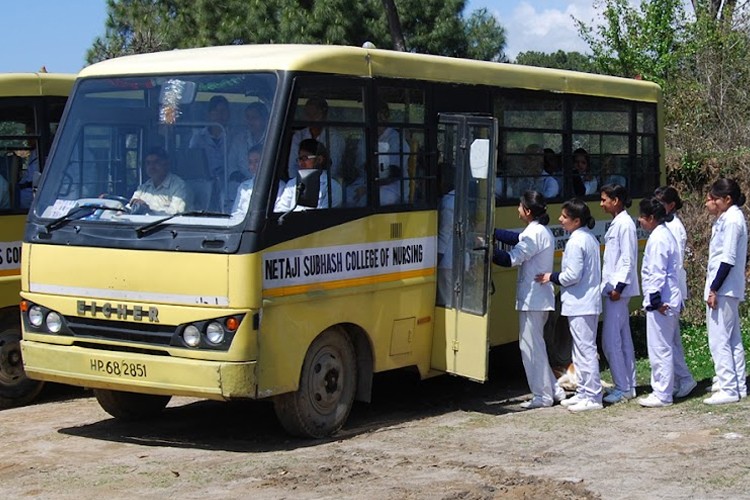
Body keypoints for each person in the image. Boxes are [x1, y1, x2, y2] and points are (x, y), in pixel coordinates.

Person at [493, 190, 566, 409]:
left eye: (519, 206)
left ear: (527, 210)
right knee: (537, 347)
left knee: (530, 349)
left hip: (533, 300)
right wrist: (492, 232)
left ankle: (541, 397)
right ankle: (555, 390)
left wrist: (486, 249)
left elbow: (511, 259)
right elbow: (516, 238)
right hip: (538, 299)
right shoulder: (538, 231)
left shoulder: (533, 234)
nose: (517, 209)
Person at [535, 198, 602, 412]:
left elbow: (572, 275)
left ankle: (593, 396)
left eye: (564, 216)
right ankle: (583, 391)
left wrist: (551, 276)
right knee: (580, 350)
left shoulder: (576, 241)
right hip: (583, 302)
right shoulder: (587, 238)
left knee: (585, 350)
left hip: (581, 303)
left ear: (576, 220)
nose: (560, 220)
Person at [636, 197, 693, 408]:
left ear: (651, 218)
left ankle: (662, 392)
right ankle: (667, 387)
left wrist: (655, 300)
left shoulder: (659, 238)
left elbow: (657, 272)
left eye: (642, 217)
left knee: (660, 348)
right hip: (665, 299)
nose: (640, 221)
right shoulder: (662, 234)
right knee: (665, 346)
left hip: (662, 302)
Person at [703, 178, 747, 405]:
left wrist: (714, 289)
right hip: (728, 287)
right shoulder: (729, 218)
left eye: (714, 198)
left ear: (727, 199)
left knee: (718, 339)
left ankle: (728, 387)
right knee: (732, 339)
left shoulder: (732, 220)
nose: (711, 202)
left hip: (724, 288)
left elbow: (727, 259)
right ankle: (738, 383)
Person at [599, 184, 640, 404]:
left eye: (605, 199)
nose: (602, 203)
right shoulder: (619, 223)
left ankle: (622, 387)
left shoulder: (625, 224)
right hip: (614, 289)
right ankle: (629, 385)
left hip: (617, 291)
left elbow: (627, 259)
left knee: (610, 341)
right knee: (623, 340)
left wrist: (619, 287)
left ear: (616, 200)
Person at [275, 139, 342, 212]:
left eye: (304, 158)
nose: (301, 163)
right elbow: (281, 210)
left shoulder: (332, 186)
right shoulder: (293, 183)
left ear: (319, 159)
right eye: (299, 159)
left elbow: (323, 215)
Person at [287, 97, 345, 180]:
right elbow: (292, 167)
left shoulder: (335, 138)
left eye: (315, 115)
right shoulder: (298, 136)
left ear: (324, 115)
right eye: (308, 115)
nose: (311, 119)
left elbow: (333, 169)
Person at [129, 147, 189, 215]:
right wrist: (121, 210)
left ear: (166, 164)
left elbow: (176, 213)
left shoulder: (179, 186)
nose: (151, 167)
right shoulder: (143, 187)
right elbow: (131, 206)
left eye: (156, 162)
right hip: (141, 225)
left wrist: (148, 209)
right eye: (148, 163)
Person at [228, 102, 268, 182]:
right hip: (241, 185)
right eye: (248, 118)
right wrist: (243, 180)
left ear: (265, 119)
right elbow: (231, 166)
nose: (250, 122)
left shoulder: (271, 138)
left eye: (254, 118)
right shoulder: (238, 139)